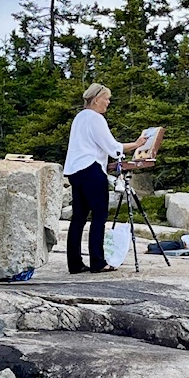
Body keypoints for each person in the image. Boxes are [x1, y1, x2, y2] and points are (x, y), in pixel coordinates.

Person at [63, 83, 149, 274]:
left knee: (78, 218)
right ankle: (98, 261)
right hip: (91, 169)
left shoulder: (79, 117)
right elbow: (112, 147)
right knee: (99, 215)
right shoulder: (95, 118)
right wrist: (137, 144)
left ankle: (74, 263)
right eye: (106, 98)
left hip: (75, 171)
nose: (108, 102)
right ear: (96, 100)